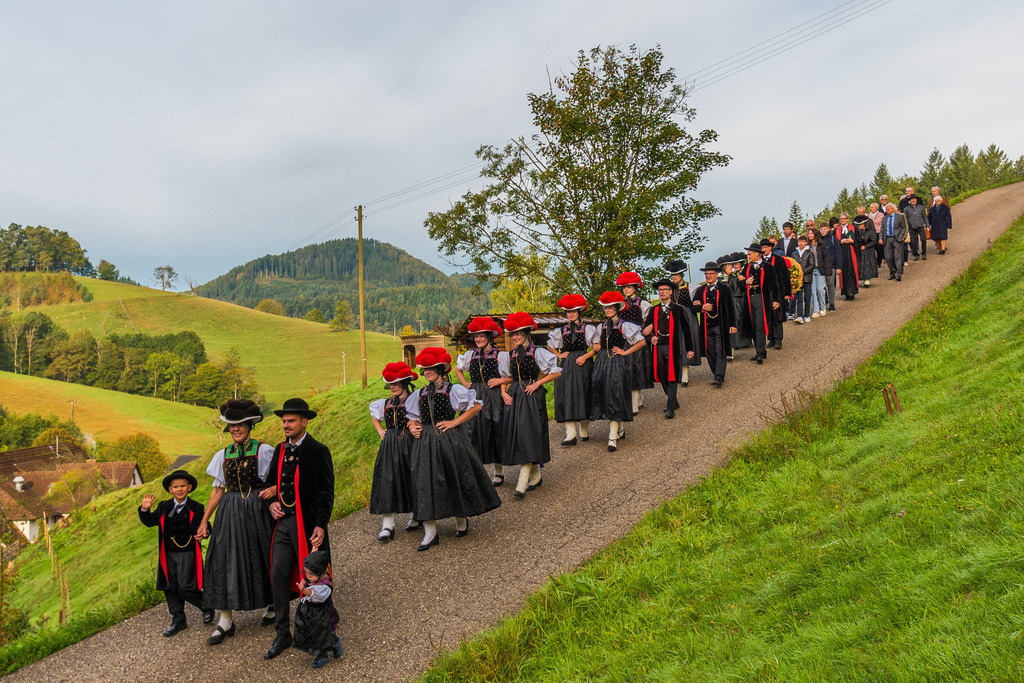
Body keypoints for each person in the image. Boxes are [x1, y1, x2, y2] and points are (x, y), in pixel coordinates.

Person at [406, 347, 501, 549]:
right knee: (425, 482)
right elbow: (412, 419)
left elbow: (476, 406)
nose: (427, 372)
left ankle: (461, 517)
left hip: (449, 440)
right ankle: (430, 533)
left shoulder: (453, 390)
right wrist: (413, 427)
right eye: (425, 369)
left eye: (431, 368)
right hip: (425, 443)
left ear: (440, 369)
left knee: (454, 477)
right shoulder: (419, 394)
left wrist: (455, 422)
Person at [263, 398, 335, 660]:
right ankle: (283, 633)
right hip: (284, 524)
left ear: (304, 422)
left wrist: (320, 524)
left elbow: (326, 492)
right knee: (278, 573)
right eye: (284, 421)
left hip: (307, 524)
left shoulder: (318, 451)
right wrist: (272, 503)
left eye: (291, 421)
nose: (286, 425)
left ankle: (321, 635)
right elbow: (271, 483)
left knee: (314, 576)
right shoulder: (280, 449)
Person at [198, 399, 274, 646]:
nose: (236, 429)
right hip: (229, 511)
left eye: (240, 424)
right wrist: (204, 520)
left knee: (262, 554)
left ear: (249, 425)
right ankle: (225, 621)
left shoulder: (264, 451)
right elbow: (217, 490)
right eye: (232, 425)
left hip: (257, 510)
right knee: (224, 560)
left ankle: (273, 604)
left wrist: (273, 494)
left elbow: (277, 481)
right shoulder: (222, 455)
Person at [138, 470, 212, 637]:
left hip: (187, 552)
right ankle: (178, 620)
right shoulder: (164, 507)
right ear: (170, 489)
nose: (180, 489)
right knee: (170, 586)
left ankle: (206, 606)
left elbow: (206, 526)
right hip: (168, 553)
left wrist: (205, 532)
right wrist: (144, 509)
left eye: (183, 486)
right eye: (176, 487)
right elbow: (150, 522)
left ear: (189, 487)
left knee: (186, 586)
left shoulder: (196, 507)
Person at [500, 312, 561, 497]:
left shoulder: (538, 352)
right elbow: (506, 376)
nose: (515, 337)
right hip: (515, 396)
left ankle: (521, 483)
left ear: (526, 333)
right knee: (520, 436)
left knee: (529, 434)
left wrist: (537, 384)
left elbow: (556, 372)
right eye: (513, 334)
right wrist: (503, 392)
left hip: (532, 396)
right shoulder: (509, 355)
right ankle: (535, 477)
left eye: (518, 333)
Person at [589, 291, 646, 452]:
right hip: (602, 362)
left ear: (616, 309)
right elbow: (595, 343)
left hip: (617, 362)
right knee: (604, 393)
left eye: (610, 308)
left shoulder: (624, 325)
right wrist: (596, 346)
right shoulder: (601, 327)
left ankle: (612, 436)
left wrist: (625, 352)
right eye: (606, 308)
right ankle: (619, 429)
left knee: (615, 393)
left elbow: (641, 342)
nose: (608, 310)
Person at [454, 317, 508, 484]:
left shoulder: (501, 355)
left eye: (481, 336)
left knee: (495, 429)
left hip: (493, 396)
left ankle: (498, 472)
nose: (478, 339)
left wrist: (499, 382)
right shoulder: (470, 355)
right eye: (476, 336)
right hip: (474, 396)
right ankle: (476, 473)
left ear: (489, 337)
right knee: (472, 432)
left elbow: (509, 376)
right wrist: (465, 383)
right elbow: (457, 369)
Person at [369, 362, 419, 541]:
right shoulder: (386, 403)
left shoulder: (415, 400)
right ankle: (388, 525)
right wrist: (380, 430)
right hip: (390, 445)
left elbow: (424, 418)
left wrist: (415, 425)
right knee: (387, 480)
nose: (393, 387)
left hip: (411, 443)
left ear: (405, 384)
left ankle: (417, 515)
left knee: (412, 478)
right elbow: (375, 417)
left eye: (396, 384)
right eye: (391, 384)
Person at [547, 295, 597, 446]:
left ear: (579, 312)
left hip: (583, 364)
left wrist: (585, 357)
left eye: (574, 311)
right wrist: (559, 355)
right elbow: (549, 345)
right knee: (566, 394)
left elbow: (597, 347)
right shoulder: (561, 331)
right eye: (568, 312)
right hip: (567, 365)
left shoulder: (588, 328)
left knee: (584, 393)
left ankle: (584, 430)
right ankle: (570, 435)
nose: (571, 314)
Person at [643, 279, 695, 417]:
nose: (662, 292)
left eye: (665, 289)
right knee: (663, 376)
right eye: (660, 290)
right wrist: (651, 337)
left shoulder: (678, 309)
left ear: (671, 292)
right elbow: (646, 330)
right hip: (658, 348)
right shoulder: (653, 310)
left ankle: (670, 408)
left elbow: (686, 329)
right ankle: (673, 401)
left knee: (672, 375)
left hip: (673, 347)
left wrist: (690, 349)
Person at [292, 551, 344, 669]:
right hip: (310, 613)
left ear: (321, 573)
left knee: (319, 634)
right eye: (307, 573)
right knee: (312, 633)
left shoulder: (324, 586)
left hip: (319, 615)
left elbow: (315, 596)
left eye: (311, 574)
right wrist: (315, 547)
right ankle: (330, 646)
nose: (308, 576)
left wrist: (303, 590)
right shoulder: (314, 579)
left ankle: (324, 653)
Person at [691, 263, 736, 386]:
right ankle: (716, 372)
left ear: (716, 274)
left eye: (711, 273)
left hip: (720, 325)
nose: (708, 276)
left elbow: (731, 307)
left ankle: (719, 376)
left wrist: (733, 324)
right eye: (706, 274)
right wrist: (702, 307)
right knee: (709, 351)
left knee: (720, 349)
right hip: (706, 326)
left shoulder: (725, 289)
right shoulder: (700, 290)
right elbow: (692, 307)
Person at [615, 272, 653, 413]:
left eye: (629, 287)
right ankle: (638, 399)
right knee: (627, 370)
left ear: (635, 288)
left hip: (637, 340)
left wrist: (649, 328)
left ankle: (635, 404)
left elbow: (651, 320)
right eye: (624, 287)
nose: (626, 289)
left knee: (637, 369)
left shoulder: (642, 304)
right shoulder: (619, 304)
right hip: (623, 341)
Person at [738, 243, 780, 364]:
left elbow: (774, 284)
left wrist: (776, 300)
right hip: (749, 299)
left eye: (750, 254)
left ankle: (760, 352)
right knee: (753, 326)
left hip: (761, 299)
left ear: (757, 254)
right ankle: (759, 351)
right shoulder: (747, 267)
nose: (748, 256)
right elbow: (739, 283)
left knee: (759, 325)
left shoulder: (767, 267)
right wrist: (745, 282)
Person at [759, 239, 790, 349]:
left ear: (770, 248)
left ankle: (778, 339)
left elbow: (785, 275)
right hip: (764, 292)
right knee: (768, 316)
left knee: (776, 315)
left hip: (777, 290)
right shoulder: (760, 261)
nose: (764, 250)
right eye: (762, 248)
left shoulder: (778, 259)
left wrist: (788, 292)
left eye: (765, 247)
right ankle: (771, 338)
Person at [724, 253, 750, 353]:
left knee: (743, 319)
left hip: (742, 297)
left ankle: (744, 341)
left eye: (737, 264)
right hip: (735, 299)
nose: (735, 266)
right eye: (734, 264)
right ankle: (738, 342)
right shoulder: (731, 276)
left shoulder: (743, 273)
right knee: (737, 319)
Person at [807, 228, 831, 319]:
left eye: (811, 233)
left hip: (820, 270)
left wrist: (828, 271)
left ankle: (822, 307)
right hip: (810, 270)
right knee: (812, 291)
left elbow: (826, 258)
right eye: (809, 233)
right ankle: (815, 310)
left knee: (820, 289)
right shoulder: (807, 246)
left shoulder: (821, 245)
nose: (809, 235)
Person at [836, 214, 860, 300]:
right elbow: (834, 242)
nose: (842, 220)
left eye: (844, 218)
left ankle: (851, 292)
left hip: (850, 253)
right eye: (841, 219)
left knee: (851, 270)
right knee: (843, 272)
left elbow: (858, 240)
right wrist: (840, 242)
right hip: (841, 253)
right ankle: (846, 293)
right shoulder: (837, 230)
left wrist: (852, 241)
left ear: (847, 219)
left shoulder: (853, 228)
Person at [882, 203, 909, 281]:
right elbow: (882, 229)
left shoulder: (900, 217)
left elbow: (904, 227)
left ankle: (899, 273)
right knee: (888, 257)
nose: (886, 210)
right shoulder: (885, 218)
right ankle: (892, 272)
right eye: (886, 209)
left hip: (897, 238)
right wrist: (881, 238)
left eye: (888, 209)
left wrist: (902, 236)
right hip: (887, 239)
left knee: (898, 256)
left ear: (893, 209)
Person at [792, 235, 815, 323]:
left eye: (802, 242)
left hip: (807, 278)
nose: (801, 243)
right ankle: (800, 315)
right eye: (799, 241)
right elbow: (792, 264)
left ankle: (807, 315)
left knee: (807, 297)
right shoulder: (794, 253)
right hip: (798, 279)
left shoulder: (809, 253)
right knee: (799, 298)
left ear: (806, 243)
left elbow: (812, 265)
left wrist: (803, 272)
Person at [819, 221, 842, 311]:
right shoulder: (818, 240)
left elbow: (838, 253)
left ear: (828, 229)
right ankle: (824, 301)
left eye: (824, 229)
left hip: (831, 265)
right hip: (821, 266)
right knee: (822, 286)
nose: (823, 231)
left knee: (830, 285)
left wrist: (838, 266)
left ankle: (832, 304)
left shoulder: (833, 239)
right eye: (821, 229)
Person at [853, 211, 879, 287]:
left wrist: (866, 246)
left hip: (868, 250)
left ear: (864, 224)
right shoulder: (855, 232)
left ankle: (867, 279)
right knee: (860, 265)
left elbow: (873, 241)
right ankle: (863, 279)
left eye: (861, 224)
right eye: (858, 225)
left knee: (867, 265)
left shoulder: (870, 231)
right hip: (859, 251)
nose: (860, 226)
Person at [904, 195, 930, 261]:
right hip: (911, 227)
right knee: (913, 241)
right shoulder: (906, 209)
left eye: (914, 199)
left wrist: (927, 225)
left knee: (923, 239)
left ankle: (924, 253)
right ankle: (915, 254)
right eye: (912, 199)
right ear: (910, 201)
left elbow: (924, 217)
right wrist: (906, 228)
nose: (913, 200)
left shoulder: (921, 207)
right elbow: (905, 219)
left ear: (916, 200)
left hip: (920, 226)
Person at [868, 202, 885, 267]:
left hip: (878, 233)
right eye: (870, 207)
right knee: (872, 248)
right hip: (870, 233)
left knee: (879, 248)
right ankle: (873, 263)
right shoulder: (868, 215)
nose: (871, 209)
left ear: (876, 208)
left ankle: (878, 262)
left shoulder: (881, 215)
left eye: (872, 207)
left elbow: (883, 224)